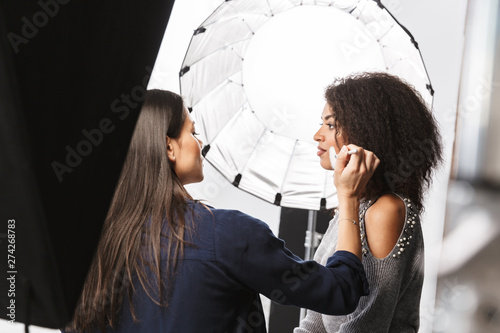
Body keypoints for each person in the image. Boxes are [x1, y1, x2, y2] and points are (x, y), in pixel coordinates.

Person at [64, 89, 380, 333]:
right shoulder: (227, 234)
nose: (199, 142)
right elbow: (340, 293)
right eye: (192, 131)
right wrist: (349, 198)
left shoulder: (93, 244)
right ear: (169, 147)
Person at [295, 72, 443, 333]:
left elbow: (364, 327)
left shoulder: (385, 210)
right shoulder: (356, 204)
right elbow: (315, 321)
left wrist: (347, 198)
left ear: (368, 131)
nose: (318, 135)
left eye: (331, 125)